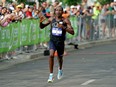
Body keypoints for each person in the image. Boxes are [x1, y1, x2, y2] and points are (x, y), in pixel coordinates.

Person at [39, 6, 74, 83]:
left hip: (60, 42)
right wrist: (40, 22)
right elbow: (42, 27)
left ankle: (60, 69)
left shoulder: (65, 20)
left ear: (62, 12)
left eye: (60, 10)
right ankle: (51, 75)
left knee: (60, 58)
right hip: (52, 41)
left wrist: (63, 27)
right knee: (51, 55)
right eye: (56, 10)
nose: (58, 11)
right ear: (55, 11)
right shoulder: (51, 19)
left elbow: (72, 32)